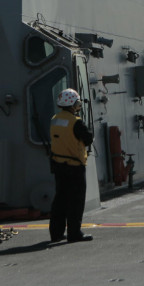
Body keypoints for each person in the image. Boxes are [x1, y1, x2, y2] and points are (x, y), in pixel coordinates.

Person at [48, 88, 94, 243]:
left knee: (60, 199)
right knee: (75, 201)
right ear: (74, 104)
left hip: (58, 165)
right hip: (74, 166)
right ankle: (74, 233)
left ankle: (56, 233)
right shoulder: (76, 122)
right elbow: (88, 139)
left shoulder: (55, 119)